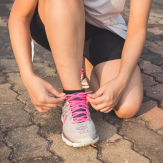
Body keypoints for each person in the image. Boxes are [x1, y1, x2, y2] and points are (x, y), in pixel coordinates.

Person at [8, 0, 152, 147]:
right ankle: (73, 97)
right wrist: (28, 76)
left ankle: (78, 62)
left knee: (127, 106)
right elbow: (19, 16)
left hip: (102, 28)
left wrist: (121, 81)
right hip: (55, 15)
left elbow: (138, 29)